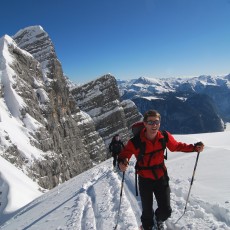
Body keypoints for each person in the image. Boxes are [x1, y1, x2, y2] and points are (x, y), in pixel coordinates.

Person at [118, 110, 204, 230]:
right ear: (145, 124)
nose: (154, 125)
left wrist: (194, 148)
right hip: (145, 179)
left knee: (166, 210)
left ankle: (159, 219)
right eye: (150, 122)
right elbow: (124, 154)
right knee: (147, 211)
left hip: (161, 177)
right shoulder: (135, 142)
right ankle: (147, 226)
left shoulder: (164, 136)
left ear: (160, 123)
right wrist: (122, 162)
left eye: (156, 122)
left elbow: (176, 146)